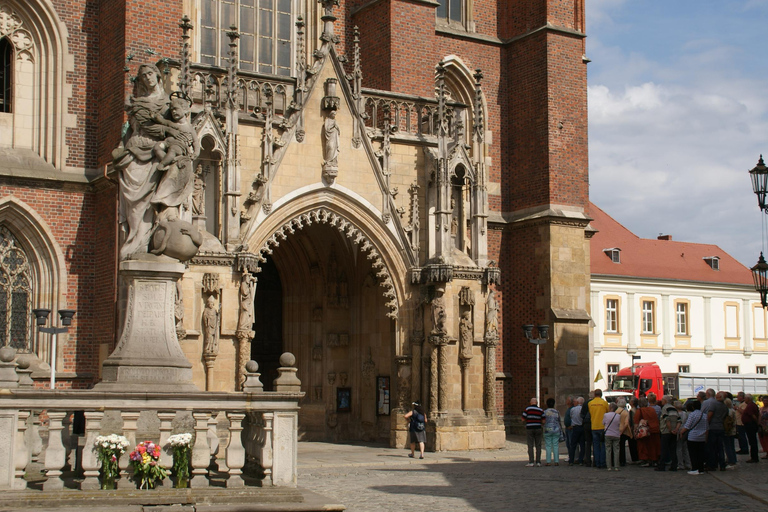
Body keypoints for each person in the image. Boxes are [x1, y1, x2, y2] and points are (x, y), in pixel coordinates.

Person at [114, 63, 171, 260]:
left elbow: (174, 130)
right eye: (143, 75)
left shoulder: (166, 103)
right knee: (133, 204)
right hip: (134, 152)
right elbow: (130, 129)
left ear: (157, 76)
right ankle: (133, 240)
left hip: (154, 155)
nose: (147, 78)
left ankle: (145, 241)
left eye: (150, 74)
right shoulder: (136, 102)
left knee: (148, 203)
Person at [680, 400, 707, 475]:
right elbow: (706, 427)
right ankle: (701, 469)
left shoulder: (692, 415)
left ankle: (695, 468)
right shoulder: (704, 415)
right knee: (701, 453)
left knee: (693, 453)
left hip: (693, 436)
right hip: (702, 436)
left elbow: (687, 426)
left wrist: (682, 432)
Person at [705, 391, 728, 471]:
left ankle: (712, 465)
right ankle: (722, 464)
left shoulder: (714, 404)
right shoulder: (725, 406)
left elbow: (710, 415)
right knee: (720, 447)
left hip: (713, 427)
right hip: (721, 427)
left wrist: (706, 424)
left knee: (712, 447)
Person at [635, 397, 660, 467]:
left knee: (644, 446)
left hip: (645, 431)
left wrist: (635, 431)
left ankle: (646, 459)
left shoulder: (639, 410)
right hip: (655, 429)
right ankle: (654, 459)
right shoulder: (652, 410)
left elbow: (636, 422)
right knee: (654, 446)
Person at [656, 395, 680, 471]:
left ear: (665, 401)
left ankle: (662, 466)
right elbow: (679, 420)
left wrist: (670, 429)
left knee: (664, 449)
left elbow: (667, 419)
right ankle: (674, 465)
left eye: (662, 400)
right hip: (674, 432)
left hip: (666, 431)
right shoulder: (674, 409)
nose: (661, 401)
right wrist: (676, 429)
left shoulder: (665, 408)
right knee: (673, 449)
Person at [588, 389, 609, 469]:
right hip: (603, 426)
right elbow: (607, 412)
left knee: (596, 446)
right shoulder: (604, 403)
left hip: (594, 426)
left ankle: (597, 462)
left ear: (594, 395)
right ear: (601, 394)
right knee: (603, 445)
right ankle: (602, 462)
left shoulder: (590, 403)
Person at [523, 397, 544, 467]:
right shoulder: (540, 410)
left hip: (529, 428)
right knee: (538, 445)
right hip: (538, 428)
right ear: (537, 403)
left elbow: (523, 418)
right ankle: (538, 462)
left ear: (531, 402)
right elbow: (544, 420)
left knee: (530, 445)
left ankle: (531, 461)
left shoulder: (527, 409)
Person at [543, 398, 562, 466]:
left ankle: (548, 461)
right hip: (556, 429)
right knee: (555, 445)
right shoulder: (557, 412)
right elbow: (559, 420)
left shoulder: (545, 412)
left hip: (548, 429)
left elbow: (543, 421)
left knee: (548, 445)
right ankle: (556, 461)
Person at [741, 394, 760, 463]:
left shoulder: (751, 406)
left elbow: (753, 415)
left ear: (748, 399)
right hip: (749, 425)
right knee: (752, 441)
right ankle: (754, 456)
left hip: (750, 425)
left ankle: (754, 457)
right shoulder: (751, 405)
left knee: (752, 441)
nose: (744, 400)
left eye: (745, 398)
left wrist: (756, 423)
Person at [602, 403, 621, 471]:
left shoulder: (606, 415)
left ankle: (609, 466)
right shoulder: (618, 416)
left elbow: (603, 423)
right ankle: (616, 466)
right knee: (616, 450)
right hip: (616, 434)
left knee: (608, 450)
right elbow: (619, 424)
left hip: (608, 433)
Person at [675, 400, 691, 470]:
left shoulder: (676, 414)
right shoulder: (685, 413)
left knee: (679, 448)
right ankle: (688, 463)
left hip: (679, 430)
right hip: (685, 430)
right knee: (685, 448)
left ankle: (680, 464)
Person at [569, 397, 585, 466]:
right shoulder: (583, 409)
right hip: (582, 427)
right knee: (582, 445)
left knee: (573, 445)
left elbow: (571, 417)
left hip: (575, 428)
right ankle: (581, 460)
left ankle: (571, 460)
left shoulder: (572, 409)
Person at [616, 398, 632, 467]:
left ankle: (617, 460)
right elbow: (626, 423)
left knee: (617, 446)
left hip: (616, 429)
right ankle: (623, 461)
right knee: (622, 446)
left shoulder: (615, 411)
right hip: (623, 431)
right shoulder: (626, 412)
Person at [723, 397, 738, 468]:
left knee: (728, 446)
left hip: (727, 430)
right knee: (732, 446)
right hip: (733, 430)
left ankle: (731, 460)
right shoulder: (733, 410)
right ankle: (733, 459)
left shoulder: (727, 411)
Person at [628, 397, 640, 463]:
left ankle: (635, 458)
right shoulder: (637, 410)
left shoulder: (632, 411)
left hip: (633, 429)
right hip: (636, 428)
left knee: (633, 444)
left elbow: (631, 421)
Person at [564, 395, 574, 462]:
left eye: (567, 400)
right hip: (567, 428)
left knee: (571, 443)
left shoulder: (572, 409)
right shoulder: (568, 409)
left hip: (570, 428)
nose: (566, 401)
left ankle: (571, 457)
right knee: (568, 443)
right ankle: (570, 456)